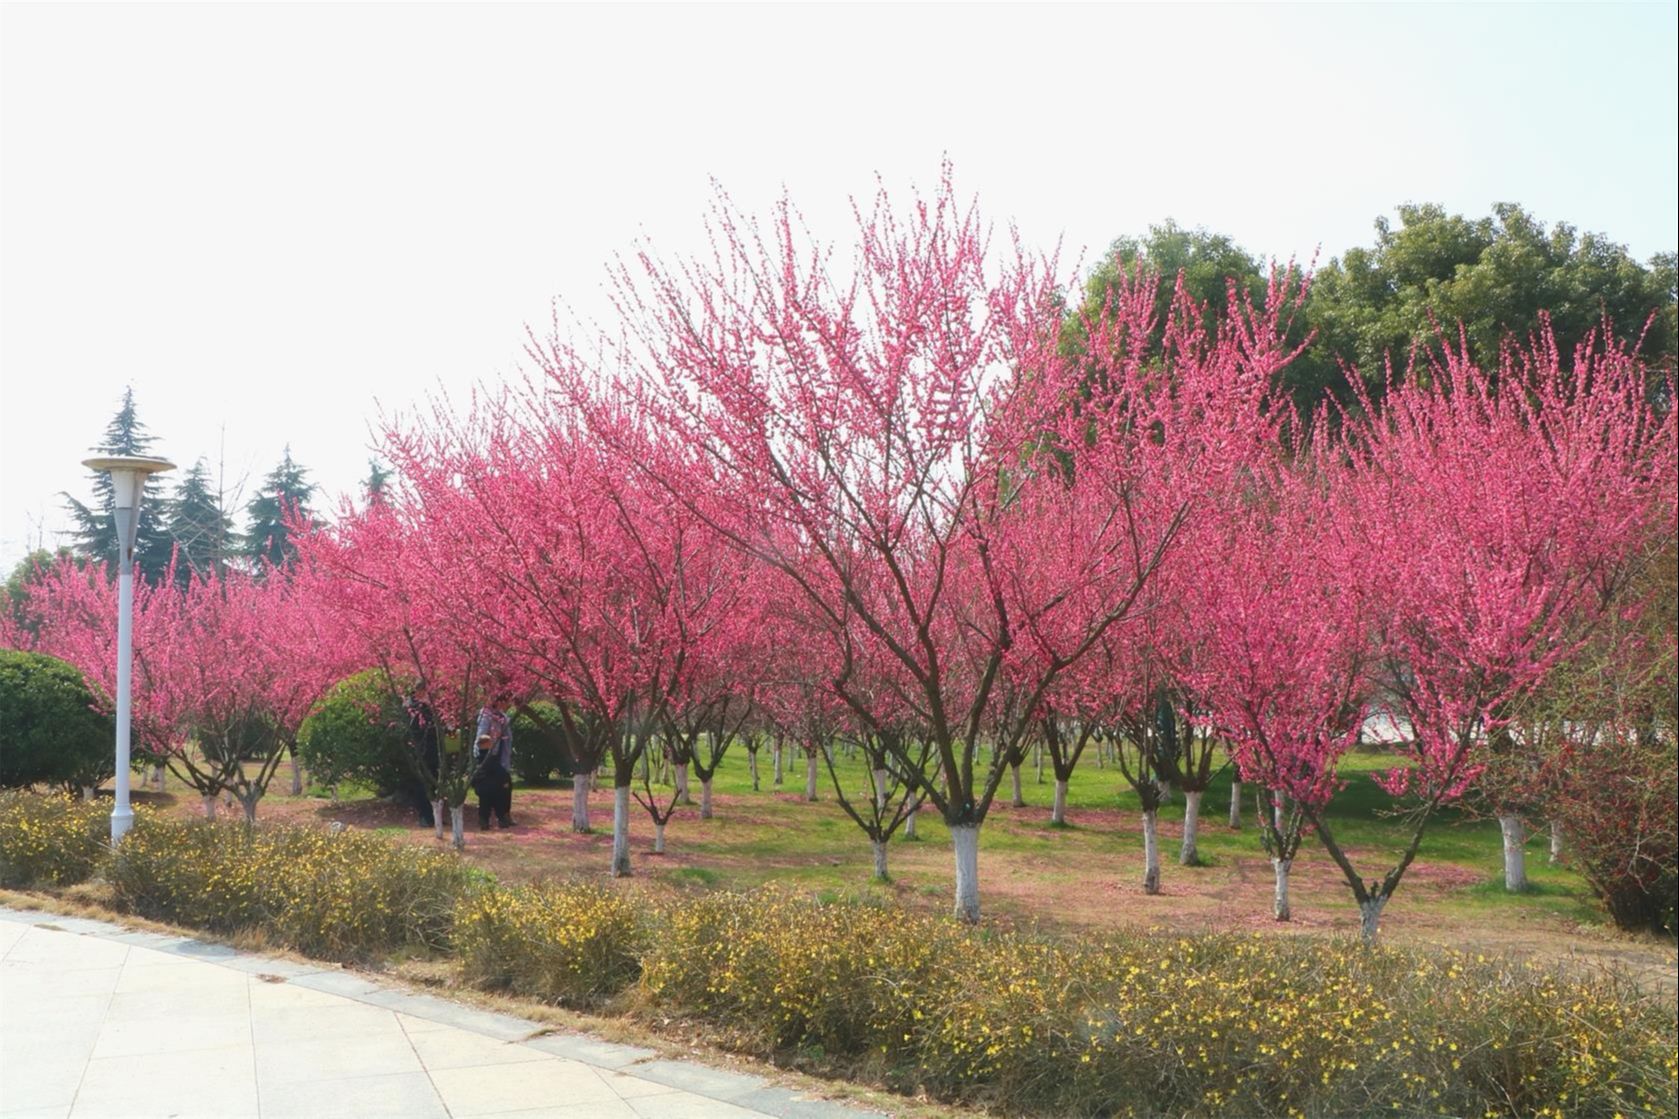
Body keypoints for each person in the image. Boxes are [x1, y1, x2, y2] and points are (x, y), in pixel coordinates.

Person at [402, 682, 443, 827]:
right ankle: (424, 816)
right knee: (422, 784)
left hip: (432, 749)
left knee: (433, 782)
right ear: (418, 691)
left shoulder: (428, 705)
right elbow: (414, 727)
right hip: (420, 749)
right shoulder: (411, 706)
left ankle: (435, 816)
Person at [473, 690, 515, 828]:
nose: (508, 704)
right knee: (488, 789)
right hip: (487, 757)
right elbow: (481, 737)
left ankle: (502, 816)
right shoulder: (486, 716)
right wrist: (482, 753)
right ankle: (487, 819)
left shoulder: (502, 717)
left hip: (498, 757)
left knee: (503, 786)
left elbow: (506, 741)